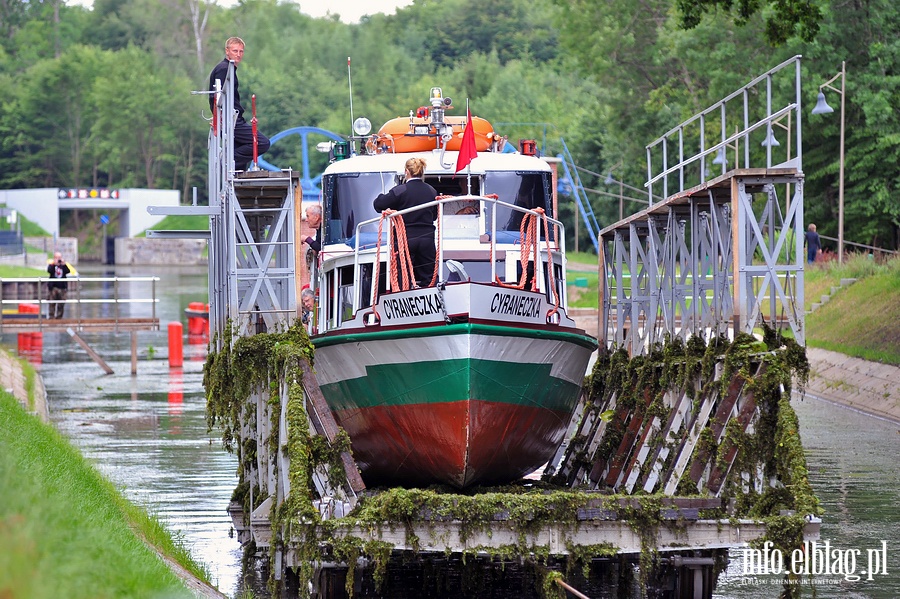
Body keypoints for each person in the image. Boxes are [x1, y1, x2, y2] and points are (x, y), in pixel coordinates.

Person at [373, 157, 438, 287]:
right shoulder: (431, 191)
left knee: (404, 275)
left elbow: (378, 205)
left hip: (406, 238)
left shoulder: (400, 190)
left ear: (406, 172)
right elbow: (434, 216)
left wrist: (381, 196)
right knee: (428, 276)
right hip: (427, 238)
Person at [208, 36, 271, 171]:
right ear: (227, 51)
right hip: (231, 120)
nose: (238, 54)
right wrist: (218, 116)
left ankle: (233, 173)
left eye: (241, 51)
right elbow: (216, 95)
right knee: (262, 143)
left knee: (240, 163)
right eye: (235, 51)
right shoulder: (224, 68)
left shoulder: (229, 69)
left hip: (233, 118)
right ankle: (226, 159)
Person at [47, 251, 71, 319]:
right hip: (53, 287)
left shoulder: (63, 266)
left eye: (59, 257)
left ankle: (59, 317)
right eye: (57, 257)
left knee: (61, 304)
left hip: (62, 287)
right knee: (52, 303)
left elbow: (68, 271)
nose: (58, 259)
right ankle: (51, 317)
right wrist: (54, 264)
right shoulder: (51, 265)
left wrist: (64, 264)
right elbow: (49, 271)